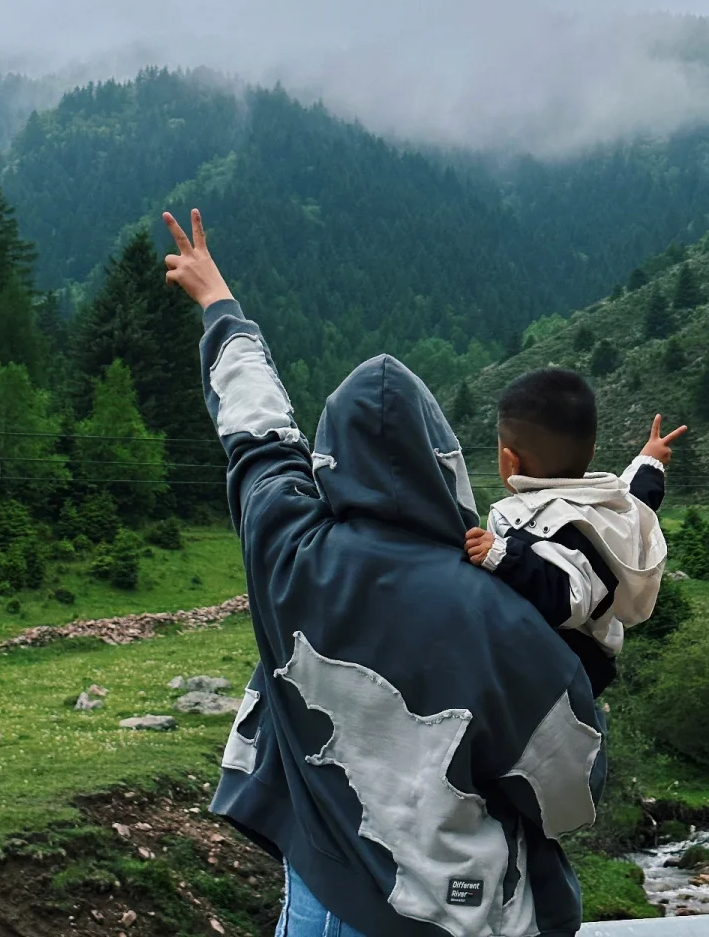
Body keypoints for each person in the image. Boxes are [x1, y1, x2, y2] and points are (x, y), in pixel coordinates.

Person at [162, 209, 606, 937]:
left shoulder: (287, 549)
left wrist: (221, 306)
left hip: (319, 902)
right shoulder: (499, 613)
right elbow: (570, 790)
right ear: (448, 467)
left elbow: (258, 431)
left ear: (329, 462)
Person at [464, 369, 685, 698]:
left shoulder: (533, 523)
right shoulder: (604, 504)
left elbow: (569, 598)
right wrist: (650, 461)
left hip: (566, 665)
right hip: (592, 660)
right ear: (592, 450)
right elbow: (637, 500)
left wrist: (501, 554)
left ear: (509, 461)